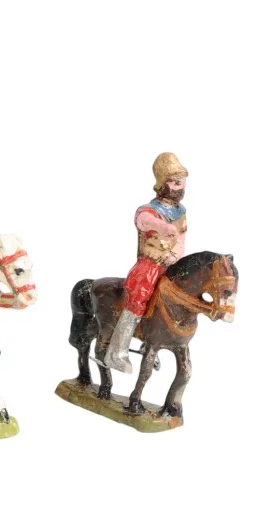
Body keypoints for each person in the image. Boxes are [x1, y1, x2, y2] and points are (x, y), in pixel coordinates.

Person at [103, 152, 188, 373]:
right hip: (150, 264)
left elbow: (181, 238)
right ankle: (117, 352)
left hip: (171, 264)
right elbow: (143, 220)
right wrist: (162, 227)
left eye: (182, 182)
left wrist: (176, 254)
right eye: (175, 182)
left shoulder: (180, 212)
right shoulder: (149, 210)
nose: (180, 187)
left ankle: (150, 343)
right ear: (163, 184)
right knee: (139, 298)